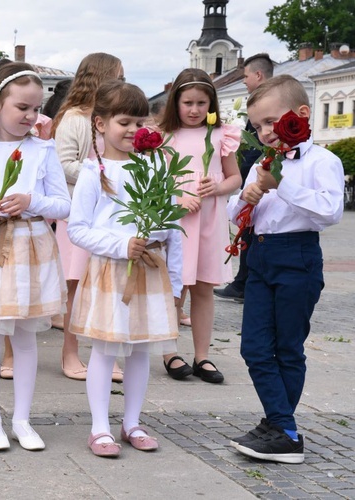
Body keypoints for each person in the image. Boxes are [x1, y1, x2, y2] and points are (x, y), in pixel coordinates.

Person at [0, 62, 69, 451]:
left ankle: (22, 417)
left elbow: (63, 205)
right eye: (22, 107)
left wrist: (31, 200)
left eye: (36, 109)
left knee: (25, 336)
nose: (31, 116)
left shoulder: (43, 150)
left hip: (32, 246)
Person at [229, 75, 344, 464]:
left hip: (298, 257)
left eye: (270, 121)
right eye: (257, 125)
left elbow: (330, 211)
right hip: (260, 256)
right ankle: (281, 424)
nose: (264, 132)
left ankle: (283, 430)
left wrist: (282, 185)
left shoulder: (322, 161)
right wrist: (245, 198)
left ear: (301, 115)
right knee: (254, 347)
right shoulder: (263, 163)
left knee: (287, 348)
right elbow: (242, 215)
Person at [68, 80, 182, 457]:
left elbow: (171, 227)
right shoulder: (92, 172)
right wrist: (120, 245)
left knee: (140, 351)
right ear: (100, 124)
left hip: (148, 270)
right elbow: (78, 229)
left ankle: (131, 421)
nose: (133, 130)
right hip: (110, 271)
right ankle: (100, 427)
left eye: (139, 122)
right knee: (105, 350)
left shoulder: (155, 167)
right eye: (124, 122)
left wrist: (174, 279)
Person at [158, 68, 241, 383]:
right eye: (187, 102)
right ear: (175, 102)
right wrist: (177, 196)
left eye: (201, 103)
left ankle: (202, 355)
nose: (194, 110)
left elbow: (235, 177)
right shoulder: (165, 136)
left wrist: (218, 188)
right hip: (177, 220)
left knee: (204, 287)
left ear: (211, 104)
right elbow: (155, 180)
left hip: (209, 220)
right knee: (174, 287)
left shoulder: (221, 135)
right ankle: (169, 351)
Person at [50, 52, 125, 382]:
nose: (122, 82)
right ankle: (69, 352)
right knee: (76, 286)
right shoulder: (74, 119)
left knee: (106, 286)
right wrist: (100, 173)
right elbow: (63, 163)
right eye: (117, 77)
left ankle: (106, 353)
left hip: (109, 217)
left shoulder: (111, 120)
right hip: (79, 214)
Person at [214, 53, 274, 303]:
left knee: (253, 230)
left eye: (246, 76)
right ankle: (244, 281)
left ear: (258, 75)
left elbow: (255, 148)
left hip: (260, 175)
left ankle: (245, 283)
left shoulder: (267, 104)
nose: (244, 82)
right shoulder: (258, 103)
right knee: (247, 228)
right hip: (252, 176)